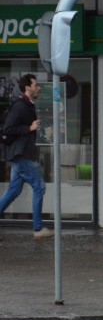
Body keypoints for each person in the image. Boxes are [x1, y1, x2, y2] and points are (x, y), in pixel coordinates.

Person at [0, 74, 50, 240]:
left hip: (20, 154)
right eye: (36, 85)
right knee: (39, 187)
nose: (39, 88)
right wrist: (29, 127)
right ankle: (38, 228)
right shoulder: (21, 106)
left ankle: (38, 228)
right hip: (21, 155)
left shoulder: (27, 105)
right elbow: (8, 129)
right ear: (27, 87)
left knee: (13, 191)